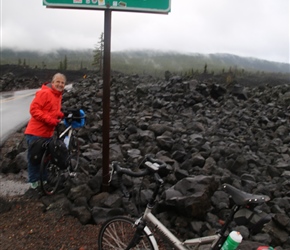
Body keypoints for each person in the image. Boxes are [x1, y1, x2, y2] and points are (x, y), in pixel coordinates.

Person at [25, 73, 66, 189]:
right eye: (57, 82)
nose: (60, 84)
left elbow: (51, 111)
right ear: (52, 83)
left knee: (46, 159)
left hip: (47, 133)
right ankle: (34, 183)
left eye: (62, 83)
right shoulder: (45, 93)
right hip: (35, 133)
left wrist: (61, 115)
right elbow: (34, 110)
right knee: (35, 159)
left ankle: (43, 181)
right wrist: (50, 120)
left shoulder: (58, 96)